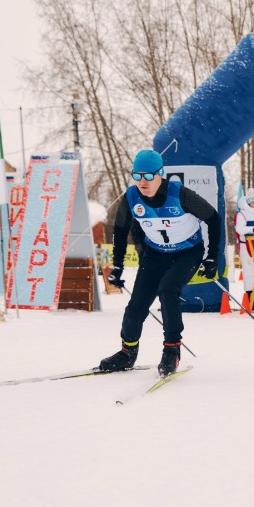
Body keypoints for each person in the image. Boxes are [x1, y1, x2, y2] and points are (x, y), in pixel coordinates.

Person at [101, 150, 221, 376]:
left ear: (161, 174)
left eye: (148, 176)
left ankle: (172, 350)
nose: (142, 182)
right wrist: (117, 266)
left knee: (168, 290)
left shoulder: (180, 194)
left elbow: (213, 218)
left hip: (187, 252)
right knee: (137, 304)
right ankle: (127, 352)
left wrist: (212, 256)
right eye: (137, 175)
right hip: (156, 254)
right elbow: (120, 230)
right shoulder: (131, 197)